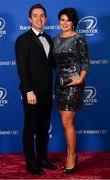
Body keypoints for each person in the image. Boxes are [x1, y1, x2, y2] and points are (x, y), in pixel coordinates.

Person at [15, 3, 57, 175]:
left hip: (47, 91)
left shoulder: (48, 38)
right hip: (32, 92)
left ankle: (42, 158)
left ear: (45, 19)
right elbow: (22, 68)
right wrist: (28, 91)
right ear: (30, 19)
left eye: (42, 16)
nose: (39, 19)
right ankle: (30, 163)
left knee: (44, 127)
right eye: (35, 16)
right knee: (30, 127)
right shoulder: (23, 40)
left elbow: (52, 64)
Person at [53, 8, 90, 174]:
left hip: (74, 84)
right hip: (60, 83)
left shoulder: (79, 38)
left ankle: (71, 157)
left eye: (68, 20)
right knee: (64, 121)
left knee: (67, 121)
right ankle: (71, 155)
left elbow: (86, 62)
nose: (65, 23)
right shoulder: (55, 39)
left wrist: (80, 79)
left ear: (73, 22)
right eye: (62, 20)